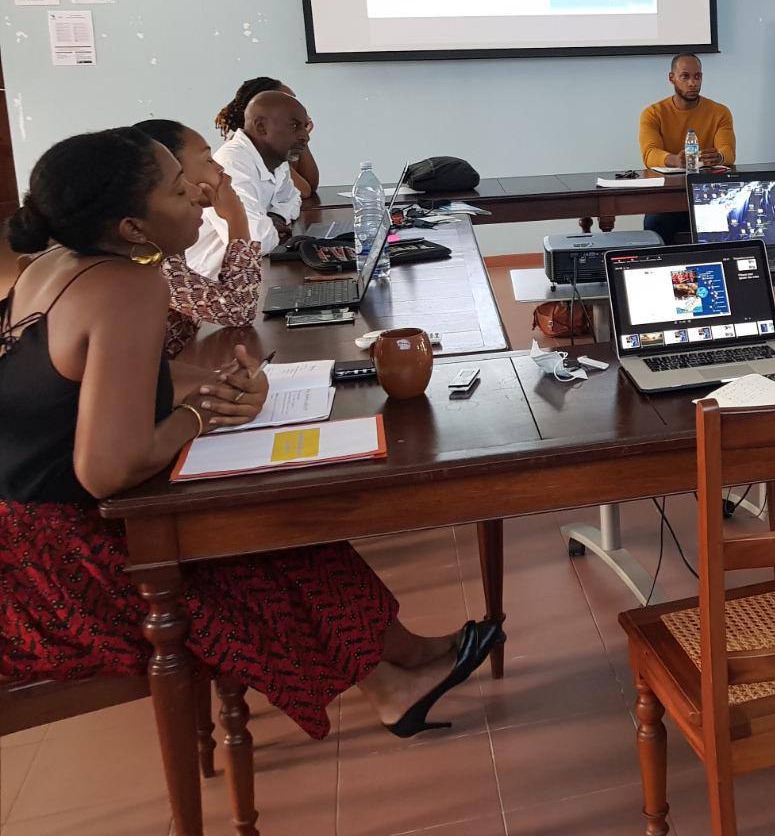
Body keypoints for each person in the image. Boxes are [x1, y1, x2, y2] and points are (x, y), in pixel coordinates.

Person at [0, 129, 502, 739]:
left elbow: (92, 378)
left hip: (28, 529)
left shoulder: (57, 264)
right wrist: (201, 416)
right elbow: (105, 469)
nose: (204, 195)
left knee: (283, 528)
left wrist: (208, 385)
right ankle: (392, 686)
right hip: (57, 566)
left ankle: (404, 656)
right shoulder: (127, 285)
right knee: (253, 540)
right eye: (183, 189)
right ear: (133, 228)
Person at [132, 119, 262, 357]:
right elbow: (238, 309)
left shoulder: (166, 240)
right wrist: (236, 218)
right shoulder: (147, 255)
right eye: (208, 160)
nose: (221, 170)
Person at [189, 90, 310, 275]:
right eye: (294, 126)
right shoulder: (231, 163)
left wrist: (275, 217)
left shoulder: (276, 160)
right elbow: (255, 241)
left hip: (250, 273)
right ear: (261, 127)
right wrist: (270, 226)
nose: (305, 136)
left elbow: (293, 198)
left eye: (305, 126)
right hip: (211, 283)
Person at [638, 52, 736, 243]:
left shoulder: (720, 112)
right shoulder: (653, 113)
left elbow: (728, 152)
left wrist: (719, 158)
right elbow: (649, 153)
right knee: (656, 222)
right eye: (685, 76)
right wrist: (674, 160)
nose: (692, 83)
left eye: (697, 76)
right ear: (672, 78)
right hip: (667, 196)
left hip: (709, 193)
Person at [215, 76, 320, 198]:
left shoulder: (279, 143)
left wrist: (299, 133)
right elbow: (303, 190)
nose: (295, 106)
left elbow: (311, 186)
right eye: (286, 100)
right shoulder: (245, 150)